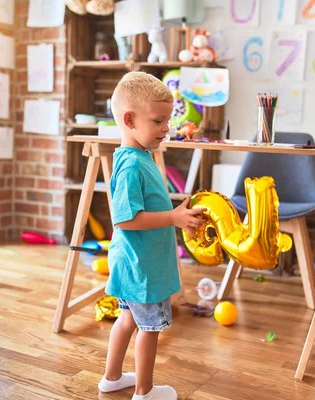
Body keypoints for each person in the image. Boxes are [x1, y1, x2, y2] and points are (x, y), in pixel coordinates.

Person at [97, 71, 206, 400]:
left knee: (127, 320)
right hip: (144, 268)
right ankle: (144, 392)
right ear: (129, 119)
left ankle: (112, 378)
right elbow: (126, 220)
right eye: (158, 120)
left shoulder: (137, 157)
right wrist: (173, 217)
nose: (166, 128)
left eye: (167, 120)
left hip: (133, 265)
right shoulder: (132, 165)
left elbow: (143, 206)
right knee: (150, 328)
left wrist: (174, 210)